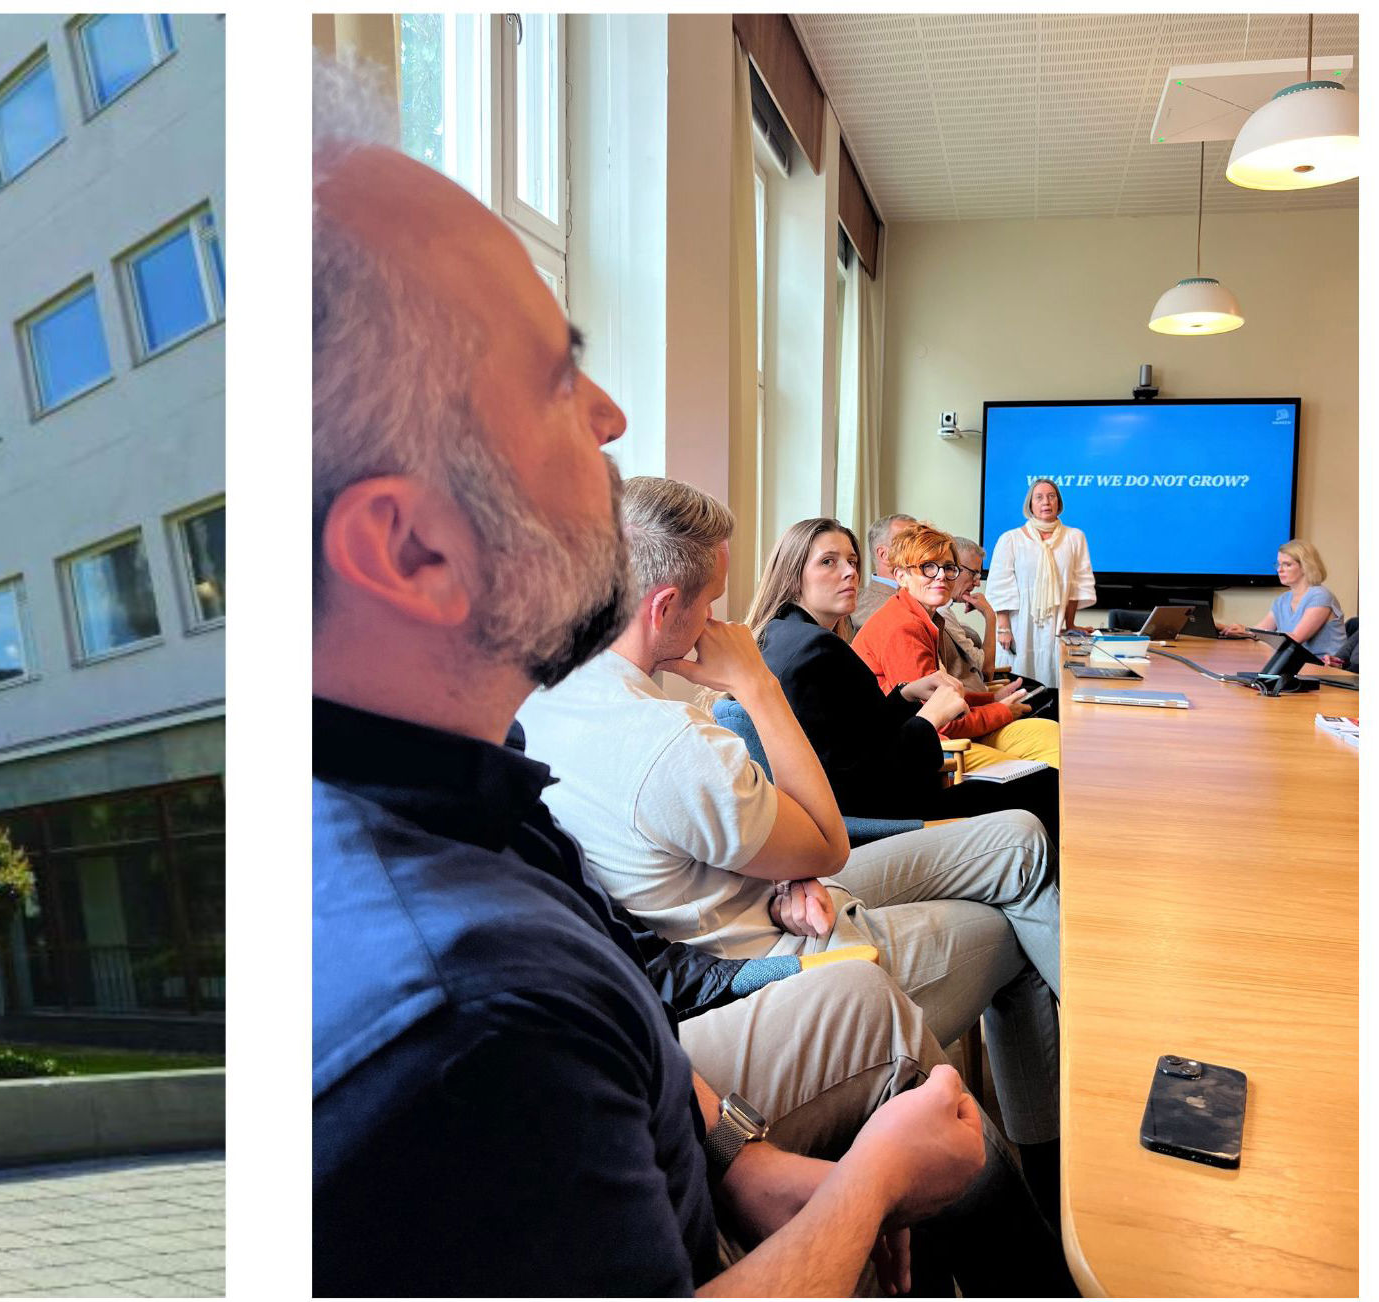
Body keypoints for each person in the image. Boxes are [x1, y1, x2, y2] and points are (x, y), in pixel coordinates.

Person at [309, 78, 989, 1296]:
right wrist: (872, 1179)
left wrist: (736, 1153)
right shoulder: (462, 1018)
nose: (613, 413)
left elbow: (644, 1029)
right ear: (409, 549)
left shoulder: (468, 796)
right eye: (554, 382)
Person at [517, 479, 1061, 1151]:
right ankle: (1049, 1147)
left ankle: (1046, 1141)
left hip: (775, 896)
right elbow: (828, 844)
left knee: (1020, 840)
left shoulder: (539, 702)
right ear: (663, 609)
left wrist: (780, 876)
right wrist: (757, 686)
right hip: (785, 948)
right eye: (713, 601)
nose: (723, 622)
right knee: (1009, 926)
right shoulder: (673, 742)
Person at [748, 518, 1059, 831]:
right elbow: (861, 775)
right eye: (828, 562)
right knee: (1046, 783)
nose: (850, 572)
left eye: (852, 561)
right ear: (793, 573)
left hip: (883, 801)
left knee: (1043, 766)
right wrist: (930, 719)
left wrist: (905, 694)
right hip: (889, 819)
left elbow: (854, 735)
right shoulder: (816, 649)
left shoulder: (784, 634)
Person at [861, 527, 1061, 768]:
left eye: (948, 567)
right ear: (901, 576)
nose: (941, 576)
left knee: (1052, 735)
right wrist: (1001, 711)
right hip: (923, 749)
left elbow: (941, 697)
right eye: (928, 567)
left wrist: (991, 698)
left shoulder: (923, 616)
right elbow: (938, 720)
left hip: (945, 733)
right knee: (1038, 772)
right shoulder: (903, 628)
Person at [984, 478, 1093, 691]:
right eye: (1039, 497)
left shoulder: (1074, 538)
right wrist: (1003, 628)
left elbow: (1074, 585)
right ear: (1030, 504)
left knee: (1051, 681)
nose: (1046, 502)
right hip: (1018, 625)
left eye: (1051, 496)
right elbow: (1000, 585)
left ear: (1059, 503)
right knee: (1018, 682)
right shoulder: (1011, 539)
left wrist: (1070, 625)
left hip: (1054, 625)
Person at [1220, 539, 1343, 656]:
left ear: (1306, 566)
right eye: (1278, 564)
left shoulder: (1320, 595)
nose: (1279, 570)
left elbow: (1295, 639)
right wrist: (1227, 628)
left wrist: (1247, 631)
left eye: (1287, 565)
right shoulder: (1283, 600)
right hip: (1296, 664)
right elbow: (1260, 631)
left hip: (1325, 669)